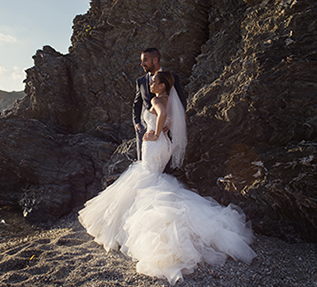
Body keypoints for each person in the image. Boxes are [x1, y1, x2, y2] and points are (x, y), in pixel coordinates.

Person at [78, 71, 256, 285]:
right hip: (164, 146)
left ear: (162, 86)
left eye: (154, 81)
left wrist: (154, 132)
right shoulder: (171, 99)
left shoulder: (156, 99)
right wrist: (163, 128)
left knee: (147, 179)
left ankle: (138, 229)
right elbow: (175, 117)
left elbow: (161, 114)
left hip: (155, 144)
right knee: (151, 179)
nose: (151, 83)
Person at [133, 48, 186, 161]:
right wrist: (136, 122)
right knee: (144, 163)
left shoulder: (172, 78)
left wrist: (171, 121)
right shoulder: (140, 81)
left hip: (165, 130)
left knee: (162, 167)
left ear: (155, 60)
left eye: (145, 60)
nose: (142, 64)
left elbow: (180, 101)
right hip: (144, 129)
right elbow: (137, 104)